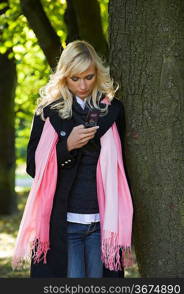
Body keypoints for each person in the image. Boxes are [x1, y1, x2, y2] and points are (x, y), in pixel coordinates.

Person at [12, 40, 133, 278]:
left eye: (88, 77)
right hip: (63, 223)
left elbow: (123, 167)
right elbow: (33, 167)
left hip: (103, 222)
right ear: (64, 77)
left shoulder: (113, 110)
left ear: (97, 73)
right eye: (74, 78)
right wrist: (67, 146)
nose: (83, 85)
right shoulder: (48, 112)